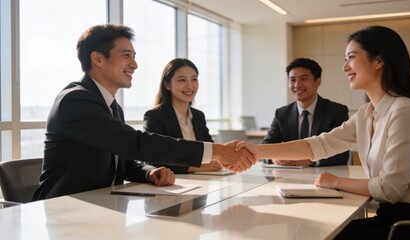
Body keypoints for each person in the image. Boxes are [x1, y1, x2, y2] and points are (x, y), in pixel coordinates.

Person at [236, 25, 410, 240]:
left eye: (351, 57)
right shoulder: (366, 113)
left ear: (379, 61)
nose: (345, 67)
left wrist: (335, 182)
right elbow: (321, 144)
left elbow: (389, 189)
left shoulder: (405, 110)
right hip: (391, 217)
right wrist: (258, 151)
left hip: (409, 224)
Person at [33, 24, 255, 201]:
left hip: (104, 205)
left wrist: (149, 172)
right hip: (65, 208)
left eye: (134, 56)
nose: (135, 64)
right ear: (98, 59)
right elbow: (135, 142)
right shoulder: (75, 100)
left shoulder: (111, 105)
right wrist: (216, 151)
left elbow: (124, 158)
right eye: (126, 55)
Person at [262, 58, 349, 167]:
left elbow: (342, 154)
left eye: (303, 79)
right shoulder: (282, 113)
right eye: (292, 80)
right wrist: (274, 159)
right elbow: (266, 147)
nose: (297, 85)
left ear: (318, 81)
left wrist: (311, 161)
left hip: (324, 175)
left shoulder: (336, 111)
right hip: (288, 176)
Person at [143, 58, 222, 174]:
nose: (190, 86)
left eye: (194, 79)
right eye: (182, 80)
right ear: (167, 85)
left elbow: (210, 151)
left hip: (203, 180)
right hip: (174, 184)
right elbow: (154, 160)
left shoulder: (198, 116)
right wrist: (194, 167)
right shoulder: (155, 116)